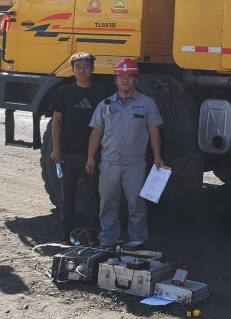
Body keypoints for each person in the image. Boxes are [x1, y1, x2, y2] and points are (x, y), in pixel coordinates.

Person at [86, 58, 164, 248]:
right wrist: (90, 158)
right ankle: (108, 240)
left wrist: (157, 156)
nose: (125, 80)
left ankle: (138, 241)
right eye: (121, 77)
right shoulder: (105, 105)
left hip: (135, 164)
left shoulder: (146, 103)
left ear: (136, 79)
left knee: (136, 205)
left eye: (130, 76)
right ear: (115, 80)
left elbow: (154, 130)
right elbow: (96, 131)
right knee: (108, 205)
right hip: (109, 164)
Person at [49, 52, 112, 244]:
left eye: (86, 67)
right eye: (78, 67)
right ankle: (66, 235)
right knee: (67, 197)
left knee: (93, 196)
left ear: (92, 69)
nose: (82, 71)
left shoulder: (102, 93)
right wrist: (56, 149)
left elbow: (108, 123)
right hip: (68, 153)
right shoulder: (64, 92)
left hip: (92, 155)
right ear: (72, 69)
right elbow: (57, 121)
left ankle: (92, 237)